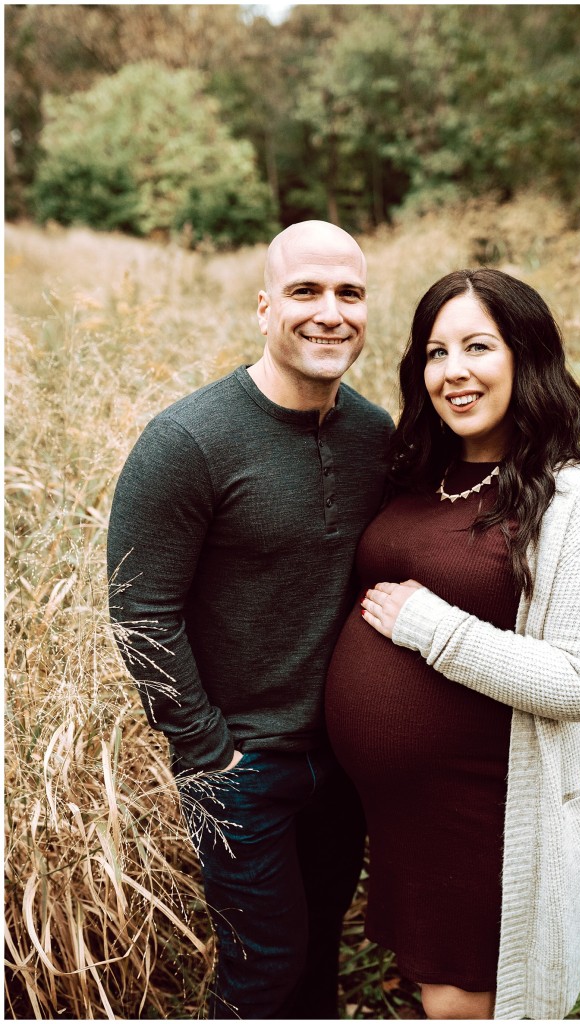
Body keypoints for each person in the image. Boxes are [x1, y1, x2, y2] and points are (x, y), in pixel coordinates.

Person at [325, 268, 580, 1020]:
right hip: (412, 816)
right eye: (436, 352)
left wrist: (434, 630)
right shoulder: (422, 474)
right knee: (445, 995)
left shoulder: (575, 497)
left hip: (490, 810)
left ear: (524, 358)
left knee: (464, 1001)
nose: (453, 372)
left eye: (477, 346)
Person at [106, 220, 394, 1020]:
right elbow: (140, 611)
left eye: (349, 293)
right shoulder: (188, 441)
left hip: (343, 762)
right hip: (243, 769)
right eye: (305, 292)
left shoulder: (376, 436)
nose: (329, 312)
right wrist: (209, 753)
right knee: (263, 974)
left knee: (319, 959)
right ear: (265, 308)